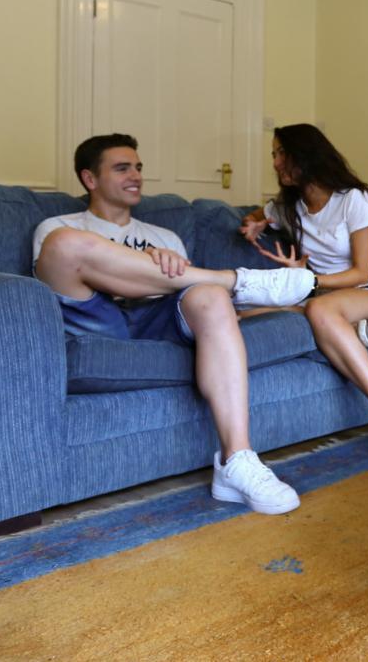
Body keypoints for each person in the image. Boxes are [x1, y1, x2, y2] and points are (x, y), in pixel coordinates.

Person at [33, 134, 309, 515]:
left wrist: (164, 266)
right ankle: (238, 281)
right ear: (90, 179)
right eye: (122, 168)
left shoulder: (165, 237)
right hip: (96, 319)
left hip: (156, 316)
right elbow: (65, 278)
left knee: (210, 296)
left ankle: (238, 459)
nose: (136, 176)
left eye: (139, 167)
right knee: (66, 246)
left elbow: (191, 302)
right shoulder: (58, 226)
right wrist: (148, 262)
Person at [239, 123, 368, 459]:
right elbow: (257, 215)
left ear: (306, 156)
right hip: (322, 296)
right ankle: (346, 326)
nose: (275, 163)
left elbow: (361, 270)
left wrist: (308, 281)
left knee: (319, 310)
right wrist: (254, 223)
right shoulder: (289, 206)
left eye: (281, 153)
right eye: (274, 154)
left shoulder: (352, 199)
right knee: (243, 311)